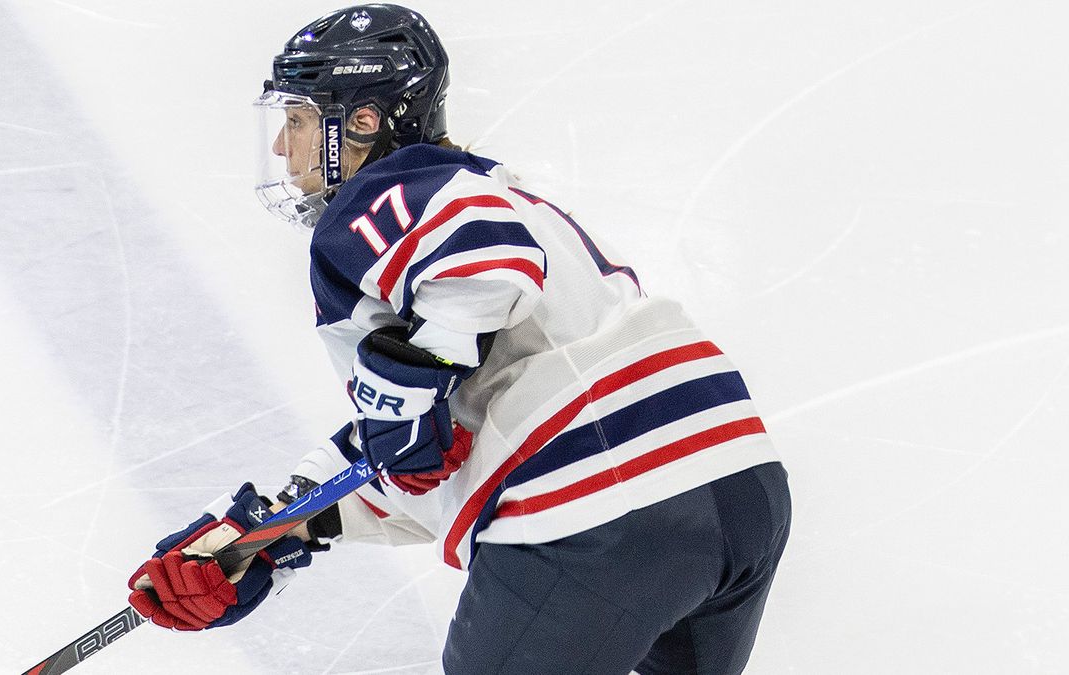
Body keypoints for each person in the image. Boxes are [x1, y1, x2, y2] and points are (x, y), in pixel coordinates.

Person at [127, 4, 791, 674]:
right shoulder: (493, 202)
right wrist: (278, 526)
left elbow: (484, 267)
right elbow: (442, 449)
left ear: (361, 120)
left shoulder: (396, 191)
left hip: (604, 501)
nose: (282, 147)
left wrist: (410, 392)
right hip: (737, 485)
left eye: (297, 120)